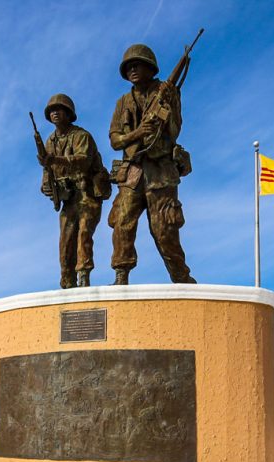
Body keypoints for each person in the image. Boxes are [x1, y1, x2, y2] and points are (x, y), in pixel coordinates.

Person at [107, 44, 196, 285]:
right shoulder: (122, 102)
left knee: (164, 228)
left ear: (150, 67)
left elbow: (175, 131)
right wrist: (137, 133)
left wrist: (167, 106)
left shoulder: (167, 93)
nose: (133, 69)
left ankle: (181, 277)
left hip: (160, 172)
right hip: (133, 172)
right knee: (122, 223)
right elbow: (115, 140)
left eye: (138, 64)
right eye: (129, 67)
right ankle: (121, 275)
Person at [39, 93, 111, 288]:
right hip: (68, 198)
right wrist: (46, 184)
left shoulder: (82, 136)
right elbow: (48, 170)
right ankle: (68, 282)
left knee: (84, 234)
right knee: (65, 240)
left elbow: (83, 161)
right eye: (51, 111)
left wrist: (54, 160)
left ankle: (83, 277)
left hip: (87, 193)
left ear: (68, 113)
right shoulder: (50, 141)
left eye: (59, 109)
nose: (55, 113)